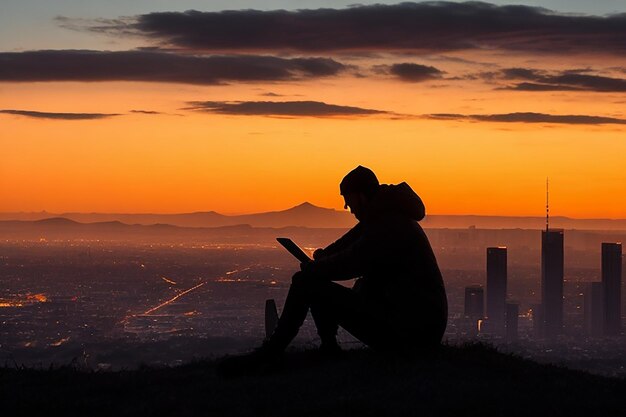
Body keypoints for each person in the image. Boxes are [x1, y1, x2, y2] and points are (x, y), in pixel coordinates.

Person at [218, 166, 447, 376]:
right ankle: (326, 348)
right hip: (415, 327)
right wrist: (323, 257)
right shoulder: (385, 219)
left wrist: (317, 266)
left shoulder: (388, 226)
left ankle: (273, 353)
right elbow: (350, 243)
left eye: (348, 201)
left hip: (411, 333)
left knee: (305, 281)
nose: (348, 209)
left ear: (361, 196)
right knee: (313, 278)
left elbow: (350, 262)